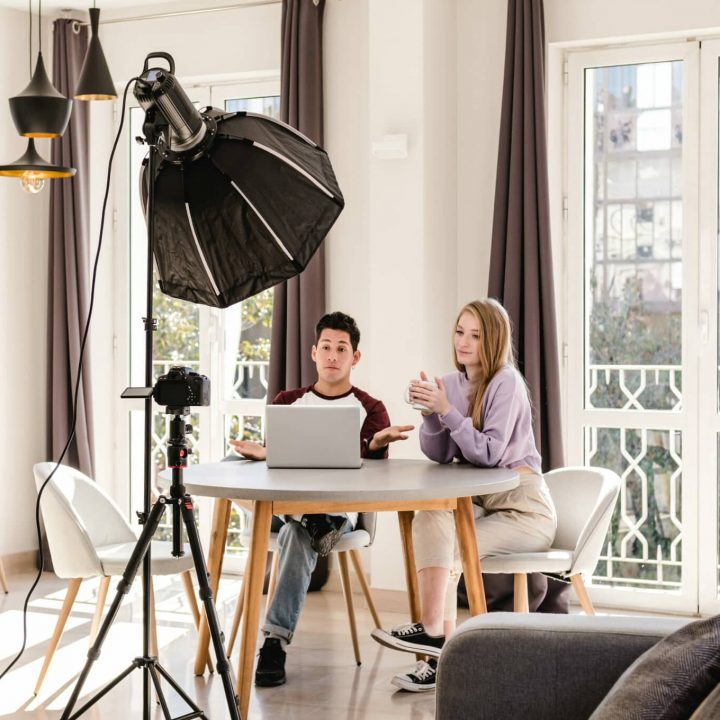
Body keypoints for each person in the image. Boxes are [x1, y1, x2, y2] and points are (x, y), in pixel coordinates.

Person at [371, 299, 557, 693]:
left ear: (494, 340)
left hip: (524, 509)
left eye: (475, 335)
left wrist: (447, 411)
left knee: (454, 550)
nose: (464, 342)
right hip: (482, 500)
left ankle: (435, 645)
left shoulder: (507, 382)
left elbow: (490, 454)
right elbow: (441, 454)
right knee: (432, 515)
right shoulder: (450, 383)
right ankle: (437, 643)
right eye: (460, 332)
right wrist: (429, 414)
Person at [230, 311, 414, 687]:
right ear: (314, 353)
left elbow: (374, 478)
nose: (333, 355)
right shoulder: (287, 401)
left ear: (354, 357)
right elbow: (275, 467)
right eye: (326, 347)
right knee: (282, 512)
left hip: (337, 515)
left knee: (297, 537)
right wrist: (265, 453)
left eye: (341, 349)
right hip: (286, 509)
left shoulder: (371, 408)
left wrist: (375, 446)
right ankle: (312, 520)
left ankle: (273, 644)